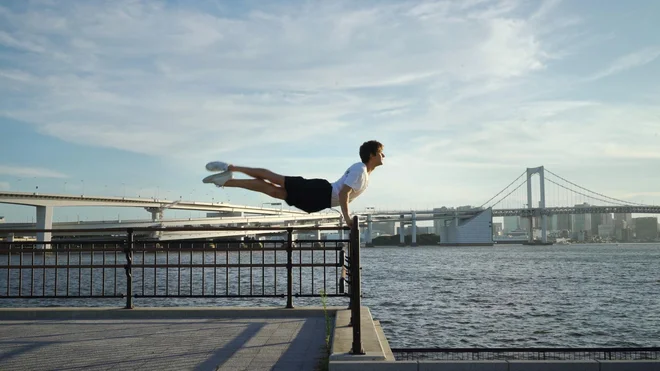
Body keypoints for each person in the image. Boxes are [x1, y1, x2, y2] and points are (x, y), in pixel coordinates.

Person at [202, 140, 384, 228]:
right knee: (275, 179)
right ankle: (231, 168)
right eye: (381, 153)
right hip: (320, 192)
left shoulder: (364, 172)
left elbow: (344, 195)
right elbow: (344, 194)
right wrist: (347, 219)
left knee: (274, 191)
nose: (384, 156)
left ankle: (226, 180)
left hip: (320, 200)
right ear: (372, 155)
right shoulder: (360, 170)